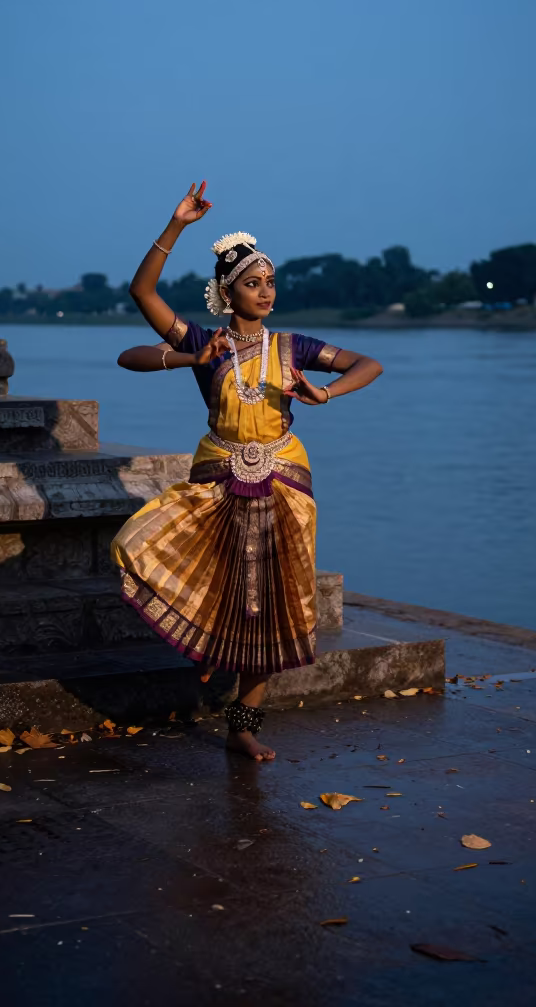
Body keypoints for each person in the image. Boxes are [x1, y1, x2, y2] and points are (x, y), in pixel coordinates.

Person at [111, 182, 383, 761]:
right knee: (200, 575)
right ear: (227, 292)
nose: (266, 292)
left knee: (271, 604)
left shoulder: (292, 347)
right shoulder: (203, 342)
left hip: (283, 482)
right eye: (254, 283)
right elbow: (138, 309)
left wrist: (325, 392)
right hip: (218, 480)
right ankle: (211, 652)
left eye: (270, 282)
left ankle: (243, 724)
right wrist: (175, 225)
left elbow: (371, 363)